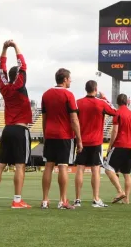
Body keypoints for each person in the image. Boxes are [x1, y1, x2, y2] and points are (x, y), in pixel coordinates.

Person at [0, 40, 32, 209]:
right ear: (19, 76)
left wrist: (4, 49)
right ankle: (17, 200)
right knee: (20, 165)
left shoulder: (4, 88)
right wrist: (15, 47)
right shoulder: (20, 85)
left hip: (7, 129)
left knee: (1, 163)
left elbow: (1, 69)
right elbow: (23, 65)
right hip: (20, 130)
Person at [41, 68, 82, 210]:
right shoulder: (69, 95)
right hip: (64, 136)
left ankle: (45, 200)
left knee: (48, 166)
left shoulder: (46, 95)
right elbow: (74, 119)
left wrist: (45, 135)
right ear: (64, 79)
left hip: (50, 135)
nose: (70, 81)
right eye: (69, 78)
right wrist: (79, 139)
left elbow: (44, 118)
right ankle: (62, 201)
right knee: (63, 166)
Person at [74, 80, 116, 207]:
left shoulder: (78, 103)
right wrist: (104, 97)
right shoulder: (101, 103)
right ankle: (96, 199)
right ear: (95, 89)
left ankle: (77, 199)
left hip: (81, 140)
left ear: (86, 89)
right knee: (95, 170)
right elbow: (114, 112)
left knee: (80, 169)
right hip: (96, 141)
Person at [104, 93, 131, 204]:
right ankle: (126, 199)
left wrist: (110, 146)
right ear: (127, 102)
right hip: (130, 146)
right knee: (126, 173)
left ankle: (120, 191)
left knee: (108, 168)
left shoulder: (117, 113)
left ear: (117, 102)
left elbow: (115, 131)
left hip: (119, 144)